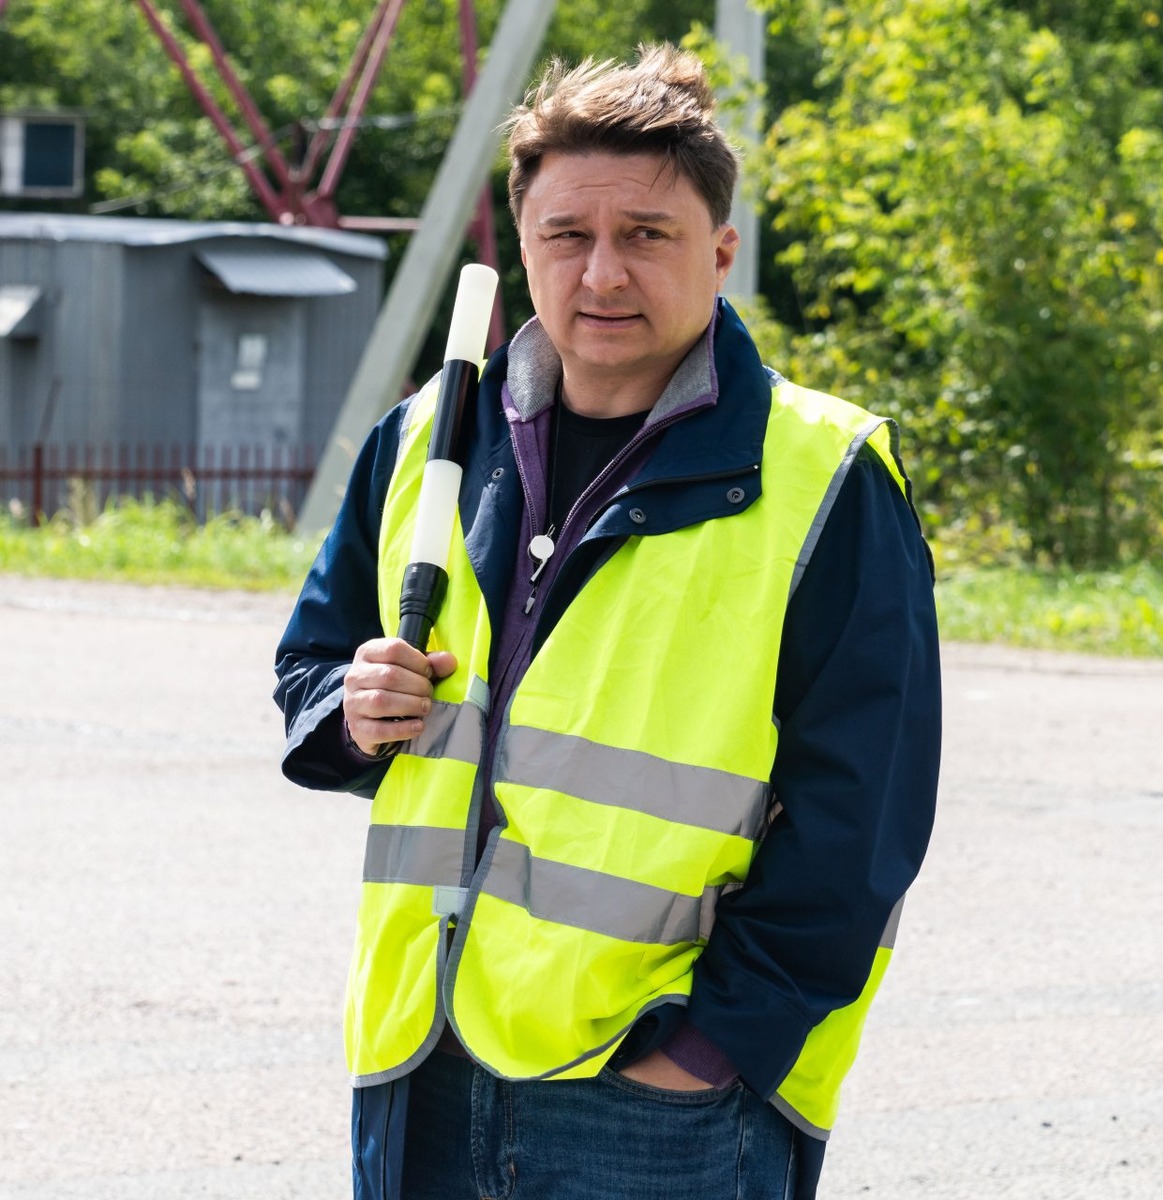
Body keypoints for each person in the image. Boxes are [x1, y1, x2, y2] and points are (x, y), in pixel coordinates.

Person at [274, 43, 940, 1200]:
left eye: (646, 235)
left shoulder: (824, 475)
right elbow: (311, 667)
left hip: (659, 1097)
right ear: (521, 245)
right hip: (420, 1059)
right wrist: (351, 708)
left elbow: (863, 819)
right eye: (567, 235)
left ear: (720, 251)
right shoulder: (428, 438)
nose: (602, 274)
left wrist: (708, 1052)